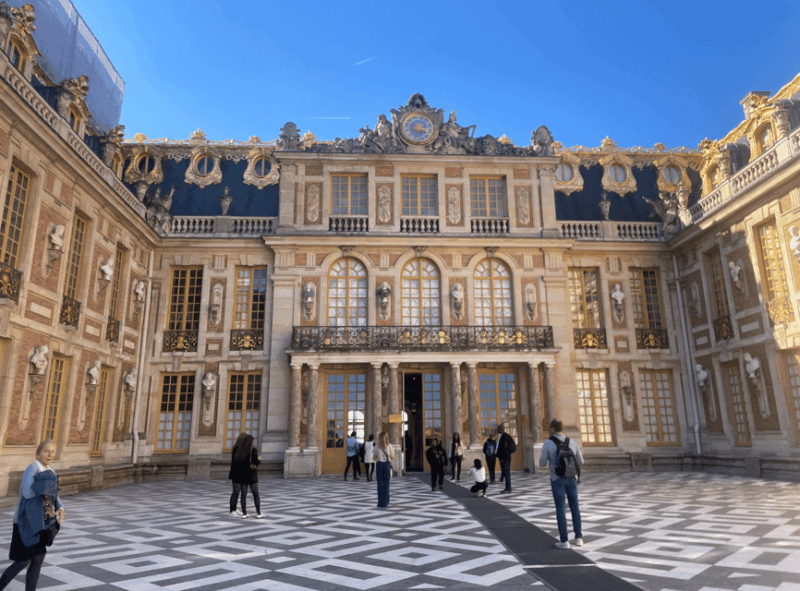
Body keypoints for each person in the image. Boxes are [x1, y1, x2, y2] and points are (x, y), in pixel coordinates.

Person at [0, 440, 64, 591]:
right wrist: (45, 485)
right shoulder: (33, 468)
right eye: (46, 451)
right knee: (23, 560)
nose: (50, 454)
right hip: (27, 523)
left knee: (37, 559)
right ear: (38, 453)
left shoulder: (51, 471)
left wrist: (61, 507)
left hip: (43, 523)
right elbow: (27, 493)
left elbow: (53, 494)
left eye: (53, 452)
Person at [539, 419, 584, 549]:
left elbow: (541, 464)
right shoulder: (572, 442)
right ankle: (578, 537)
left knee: (560, 508)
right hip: (572, 478)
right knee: (575, 507)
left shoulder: (548, 443)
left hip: (557, 478)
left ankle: (564, 541)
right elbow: (581, 461)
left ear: (552, 429)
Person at [228, 433, 263, 519]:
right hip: (240, 474)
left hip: (241, 474)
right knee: (238, 492)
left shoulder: (240, 449)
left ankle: (241, 511)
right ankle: (233, 510)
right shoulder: (240, 449)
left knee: (241, 493)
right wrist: (258, 459)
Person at [374, 431, 395, 508]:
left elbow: (373, 457)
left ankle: (380, 502)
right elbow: (393, 457)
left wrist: (379, 457)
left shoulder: (376, 446)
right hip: (386, 465)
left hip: (379, 465)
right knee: (386, 484)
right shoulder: (389, 446)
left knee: (379, 484)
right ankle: (386, 502)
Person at [496, 423, 516, 494]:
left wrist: (502, 457)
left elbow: (504, 448)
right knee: (505, 472)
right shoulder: (502, 436)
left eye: (498, 428)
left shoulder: (504, 436)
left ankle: (508, 489)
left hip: (505, 458)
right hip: (504, 457)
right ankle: (507, 488)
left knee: (507, 473)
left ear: (500, 429)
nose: (497, 430)